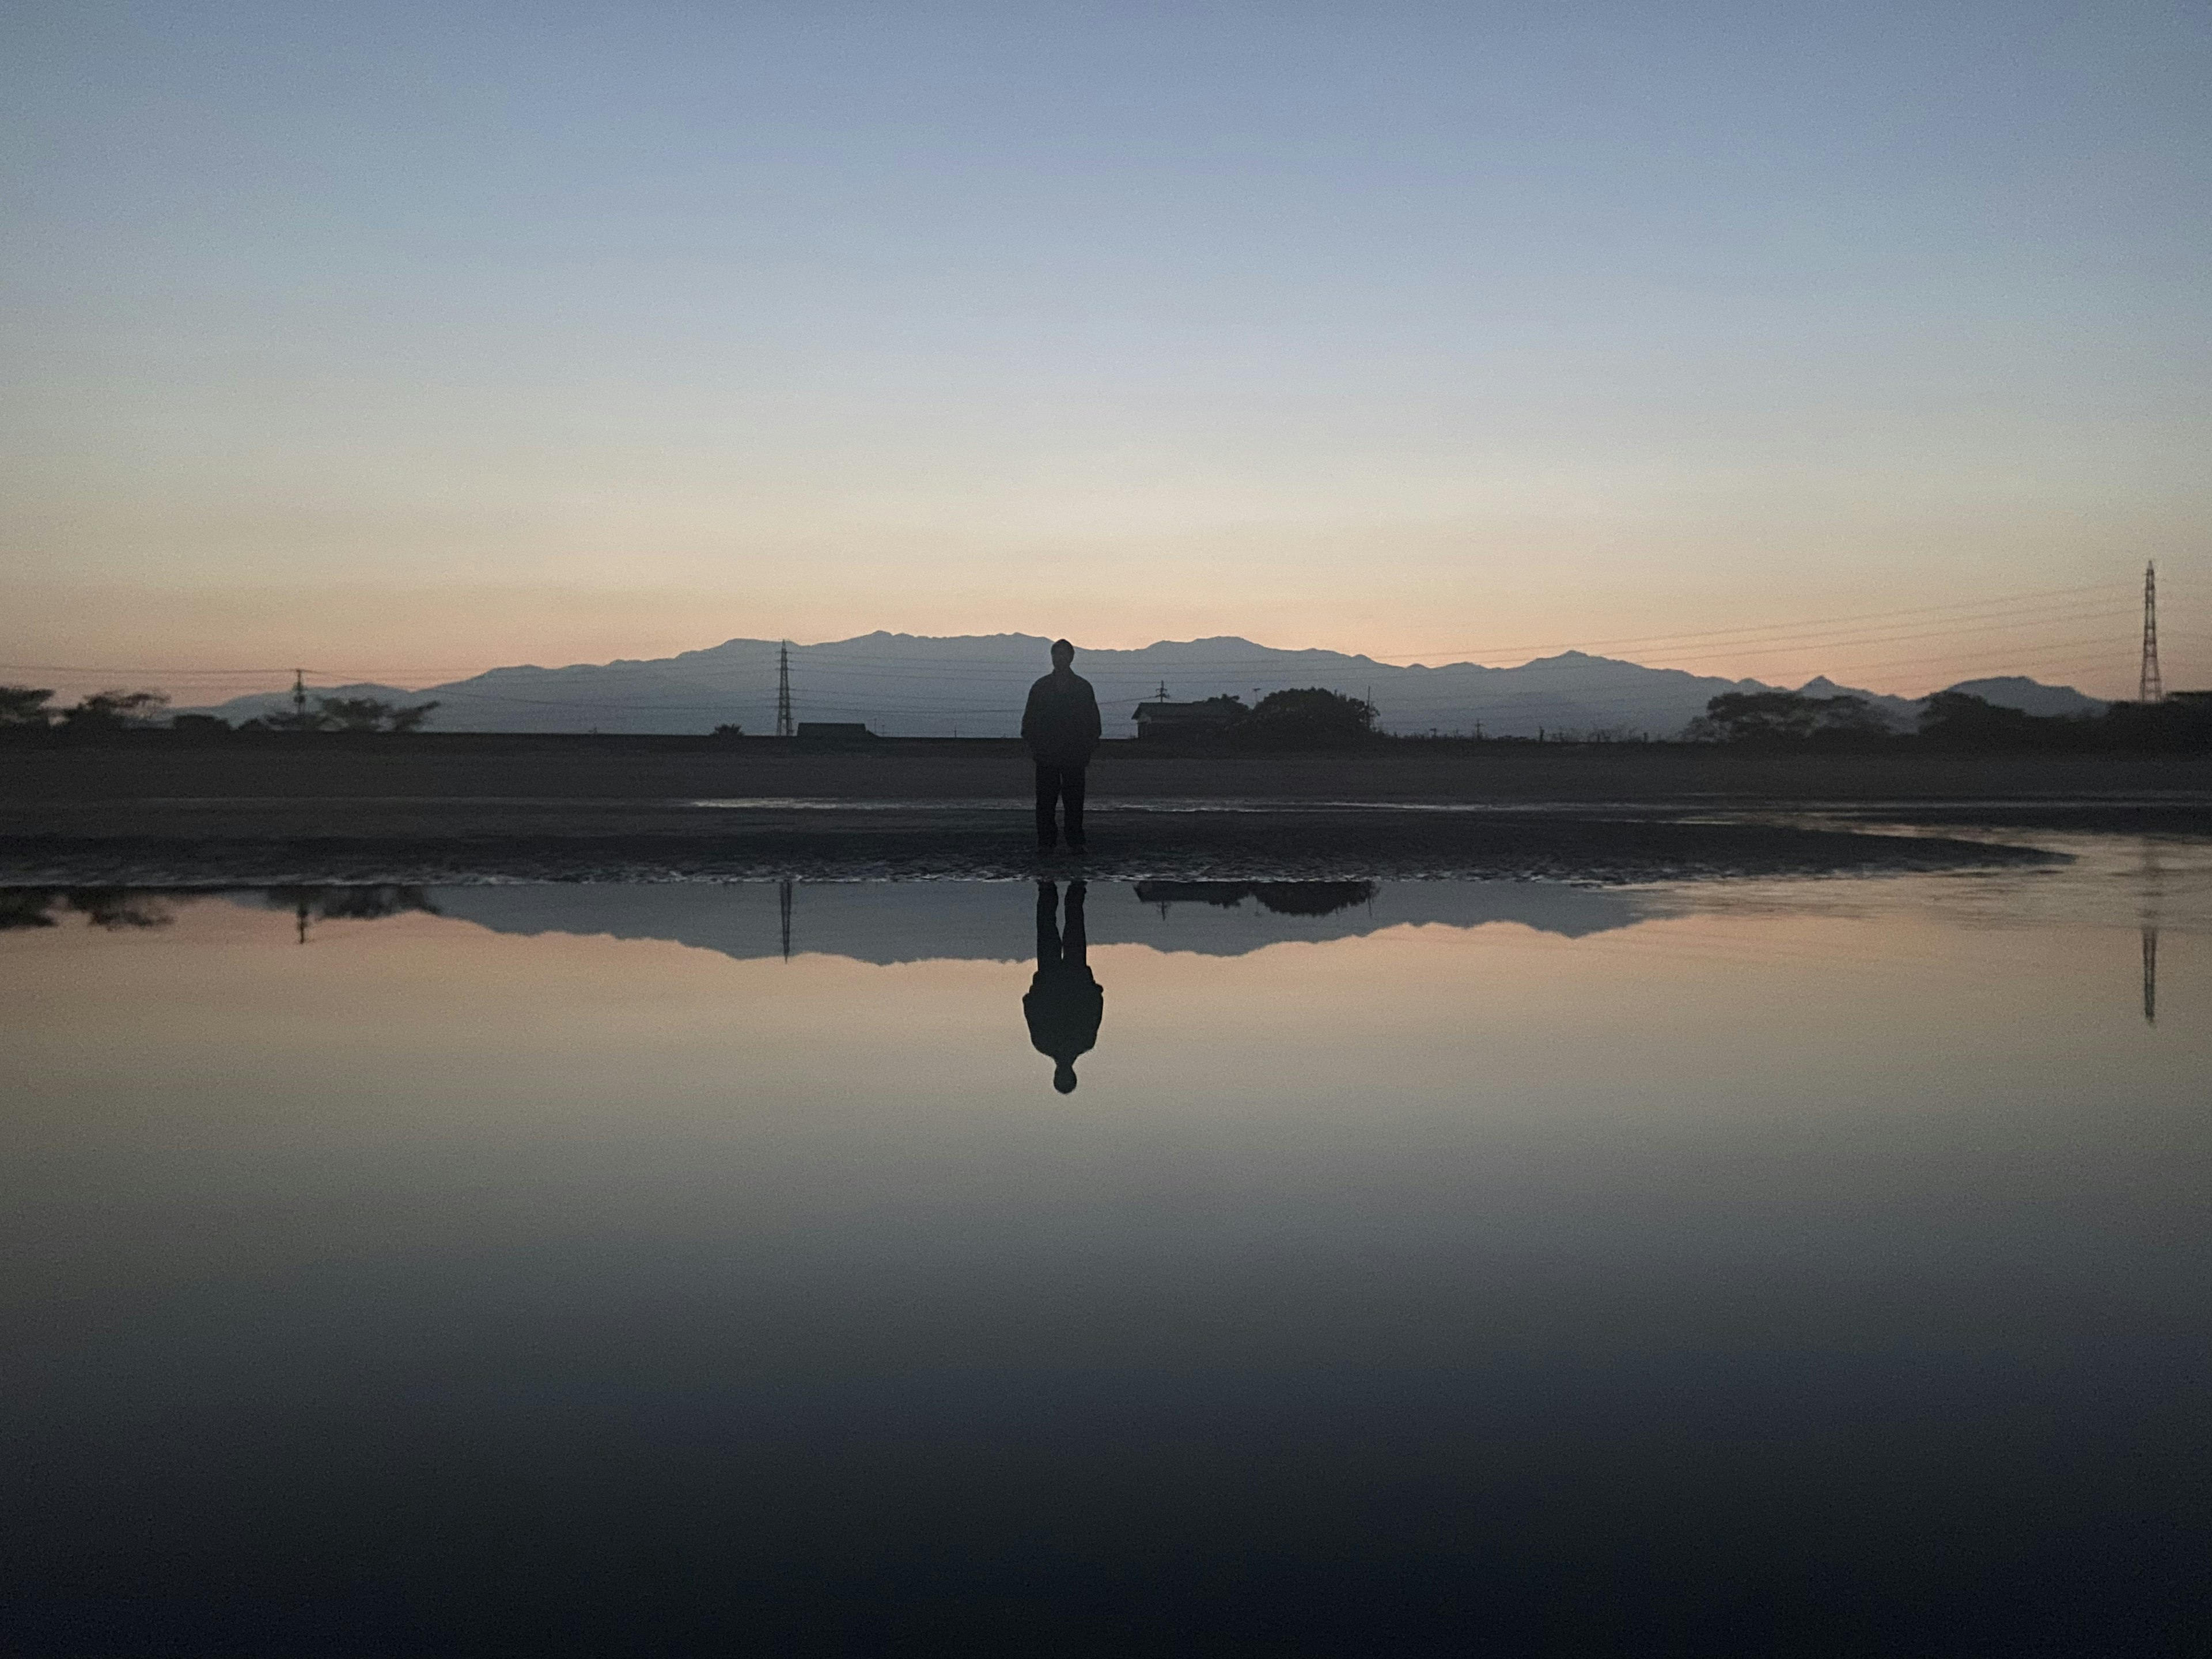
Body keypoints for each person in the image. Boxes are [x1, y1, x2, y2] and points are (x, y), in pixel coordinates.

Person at [1020, 638, 1103, 852]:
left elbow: (1093, 722)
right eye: (1057, 654)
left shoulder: (1083, 688)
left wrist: (1087, 748)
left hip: (1074, 755)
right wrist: (1036, 746)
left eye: (1064, 655)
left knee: (1074, 802)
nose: (1060, 659)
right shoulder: (1041, 687)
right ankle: (1046, 841)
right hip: (1047, 755)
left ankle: (1075, 840)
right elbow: (1029, 721)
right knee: (1045, 802)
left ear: (1072, 658)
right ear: (1052, 658)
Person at [1024, 880, 1103, 1094]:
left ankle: (1059, 888)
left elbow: (1031, 1009)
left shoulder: (1050, 1043)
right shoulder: (1055, 1043)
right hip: (1067, 979)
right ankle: (1059, 888)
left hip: (1059, 980)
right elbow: (1095, 1009)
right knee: (1064, 927)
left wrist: (1093, 989)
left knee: (1061, 928)